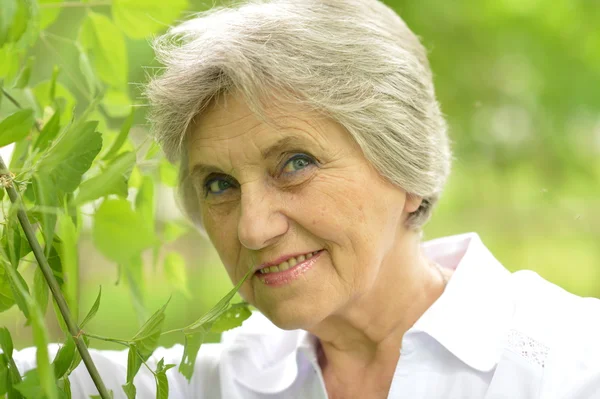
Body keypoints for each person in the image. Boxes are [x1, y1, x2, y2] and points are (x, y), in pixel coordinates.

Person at [11, 0, 600, 397]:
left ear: (406, 163)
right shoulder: (221, 381)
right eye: (218, 184)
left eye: (296, 163)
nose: (252, 228)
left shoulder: (574, 362)